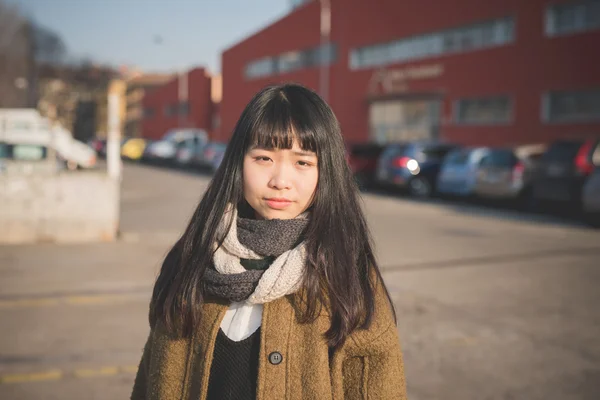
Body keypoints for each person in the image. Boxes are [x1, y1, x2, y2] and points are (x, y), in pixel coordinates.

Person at [131, 83, 407, 399]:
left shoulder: (348, 275)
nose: (279, 181)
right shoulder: (192, 259)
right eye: (263, 158)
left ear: (325, 171)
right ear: (239, 162)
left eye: (302, 162)